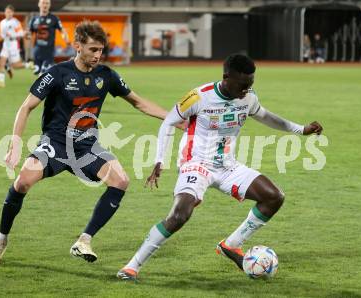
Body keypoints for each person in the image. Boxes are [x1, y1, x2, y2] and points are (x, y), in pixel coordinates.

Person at [117, 54, 323, 281]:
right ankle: (132, 266)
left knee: (274, 197)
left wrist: (300, 129)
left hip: (227, 166)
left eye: (251, 85)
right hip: (196, 164)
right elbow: (169, 121)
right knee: (179, 215)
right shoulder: (199, 97)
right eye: (243, 85)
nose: (247, 90)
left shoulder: (248, 98)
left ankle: (232, 245)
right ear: (227, 77)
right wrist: (159, 160)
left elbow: (266, 116)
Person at [0, 20, 170, 266]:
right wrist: (15, 143)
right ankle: (1, 239)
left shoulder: (106, 75)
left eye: (101, 50)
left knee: (121, 181)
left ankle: (84, 240)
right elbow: (26, 106)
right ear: (77, 46)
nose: (98, 55)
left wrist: (173, 118)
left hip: (86, 146)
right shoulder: (57, 73)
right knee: (22, 183)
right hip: (56, 143)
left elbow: (139, 102)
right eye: (93, 49)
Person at [28, 0, 69, 75]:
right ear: (39, 4)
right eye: (43, 3)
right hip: (37, 52)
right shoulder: (34, 19)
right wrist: (27, 36)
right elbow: (29, 33)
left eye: (47, 3)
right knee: (37, 72)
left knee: (43, 73)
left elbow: (62, 30)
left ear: (49, 5)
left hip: (49, 52)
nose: (45, 5)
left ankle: (42, 85)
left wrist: (65, 38)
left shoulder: (54, 18)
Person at [0, 5, 26, 88]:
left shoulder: (15, 22)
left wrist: (12, 34)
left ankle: (28, 64)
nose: (9, 13)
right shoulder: (2, 22)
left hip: (13, 44)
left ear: (13, 13)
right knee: (1, 62)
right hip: (5, 44)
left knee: (15, 66)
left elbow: (21, 33)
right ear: (5, 12)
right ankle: (1, 82)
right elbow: (2, 35)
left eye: (10, 12)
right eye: (7, 12)